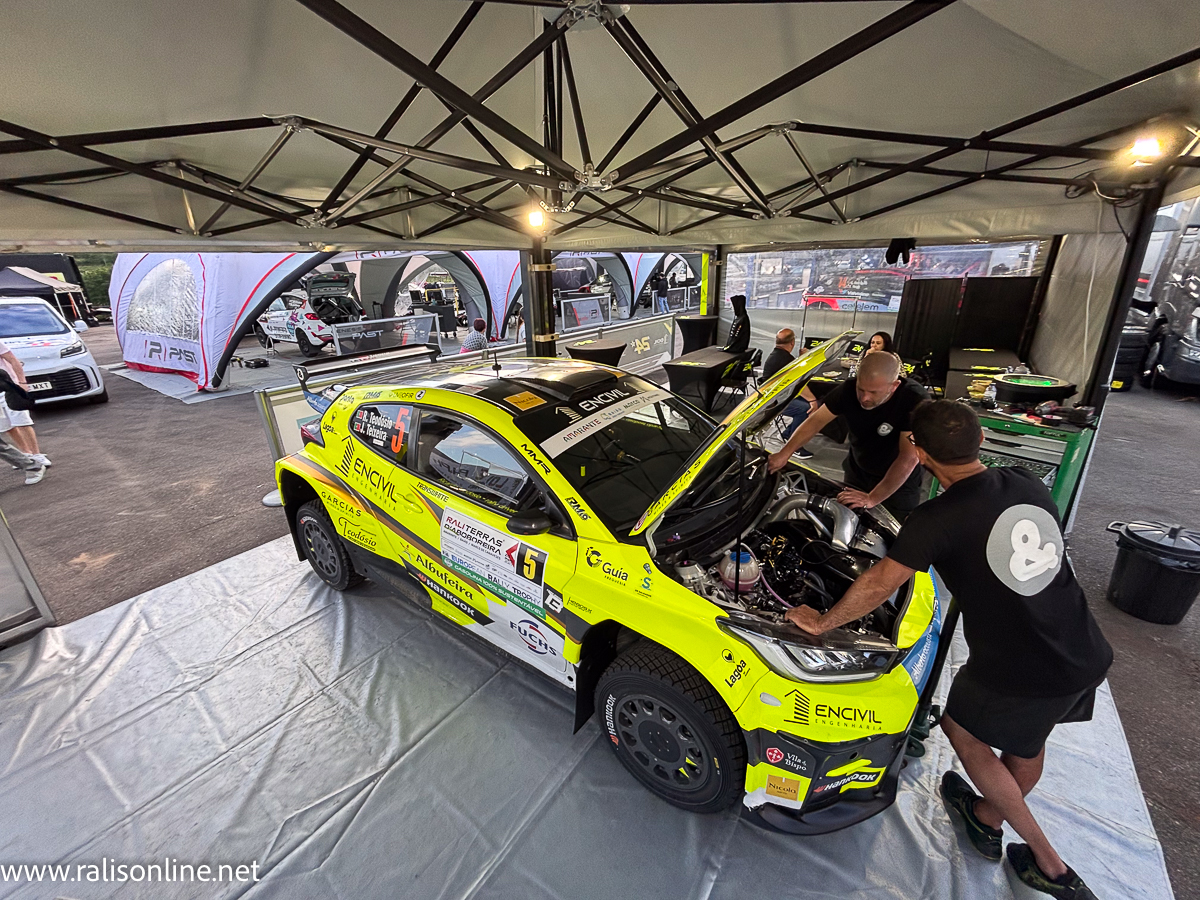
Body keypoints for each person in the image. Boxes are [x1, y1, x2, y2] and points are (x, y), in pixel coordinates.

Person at [784, 400, 1110, 900]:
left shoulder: (936, 518)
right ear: (981, 440)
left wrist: (822, 622)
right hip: (1080, 644)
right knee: (1027, 743)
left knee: (962, 730)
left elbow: (880, 583)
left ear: (917, 450)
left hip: (1021, 665)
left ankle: (1052, 865)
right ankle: (985, 816)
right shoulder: (1025, 481)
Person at [767, 350, 927, 521]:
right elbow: (815, 421)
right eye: (861, 389)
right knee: (846, 519)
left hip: (898, 481)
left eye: (874, 392)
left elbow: (908, 457)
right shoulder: (848, 390)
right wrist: (784, 454)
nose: (864, 398)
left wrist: (872, 498)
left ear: (894, 386)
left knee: (892, 529)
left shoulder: (913, 400)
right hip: (858, 470)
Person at [761, 328, 817, 459]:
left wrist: (801, 359)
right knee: (806, 408)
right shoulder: (785, 359)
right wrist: (812, 400)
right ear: (792, 342)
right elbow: (798, 382)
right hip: (772, 401)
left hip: (774, 395)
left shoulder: (779, 356)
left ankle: (787, 434)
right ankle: (794, 445)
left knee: (807, 403)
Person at [0, 341, 50, 473]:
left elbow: (12, 360)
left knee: (22, 423)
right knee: (7, 427)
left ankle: (36, 454)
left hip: (9, 388)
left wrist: (21, 382)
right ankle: (25, 453)